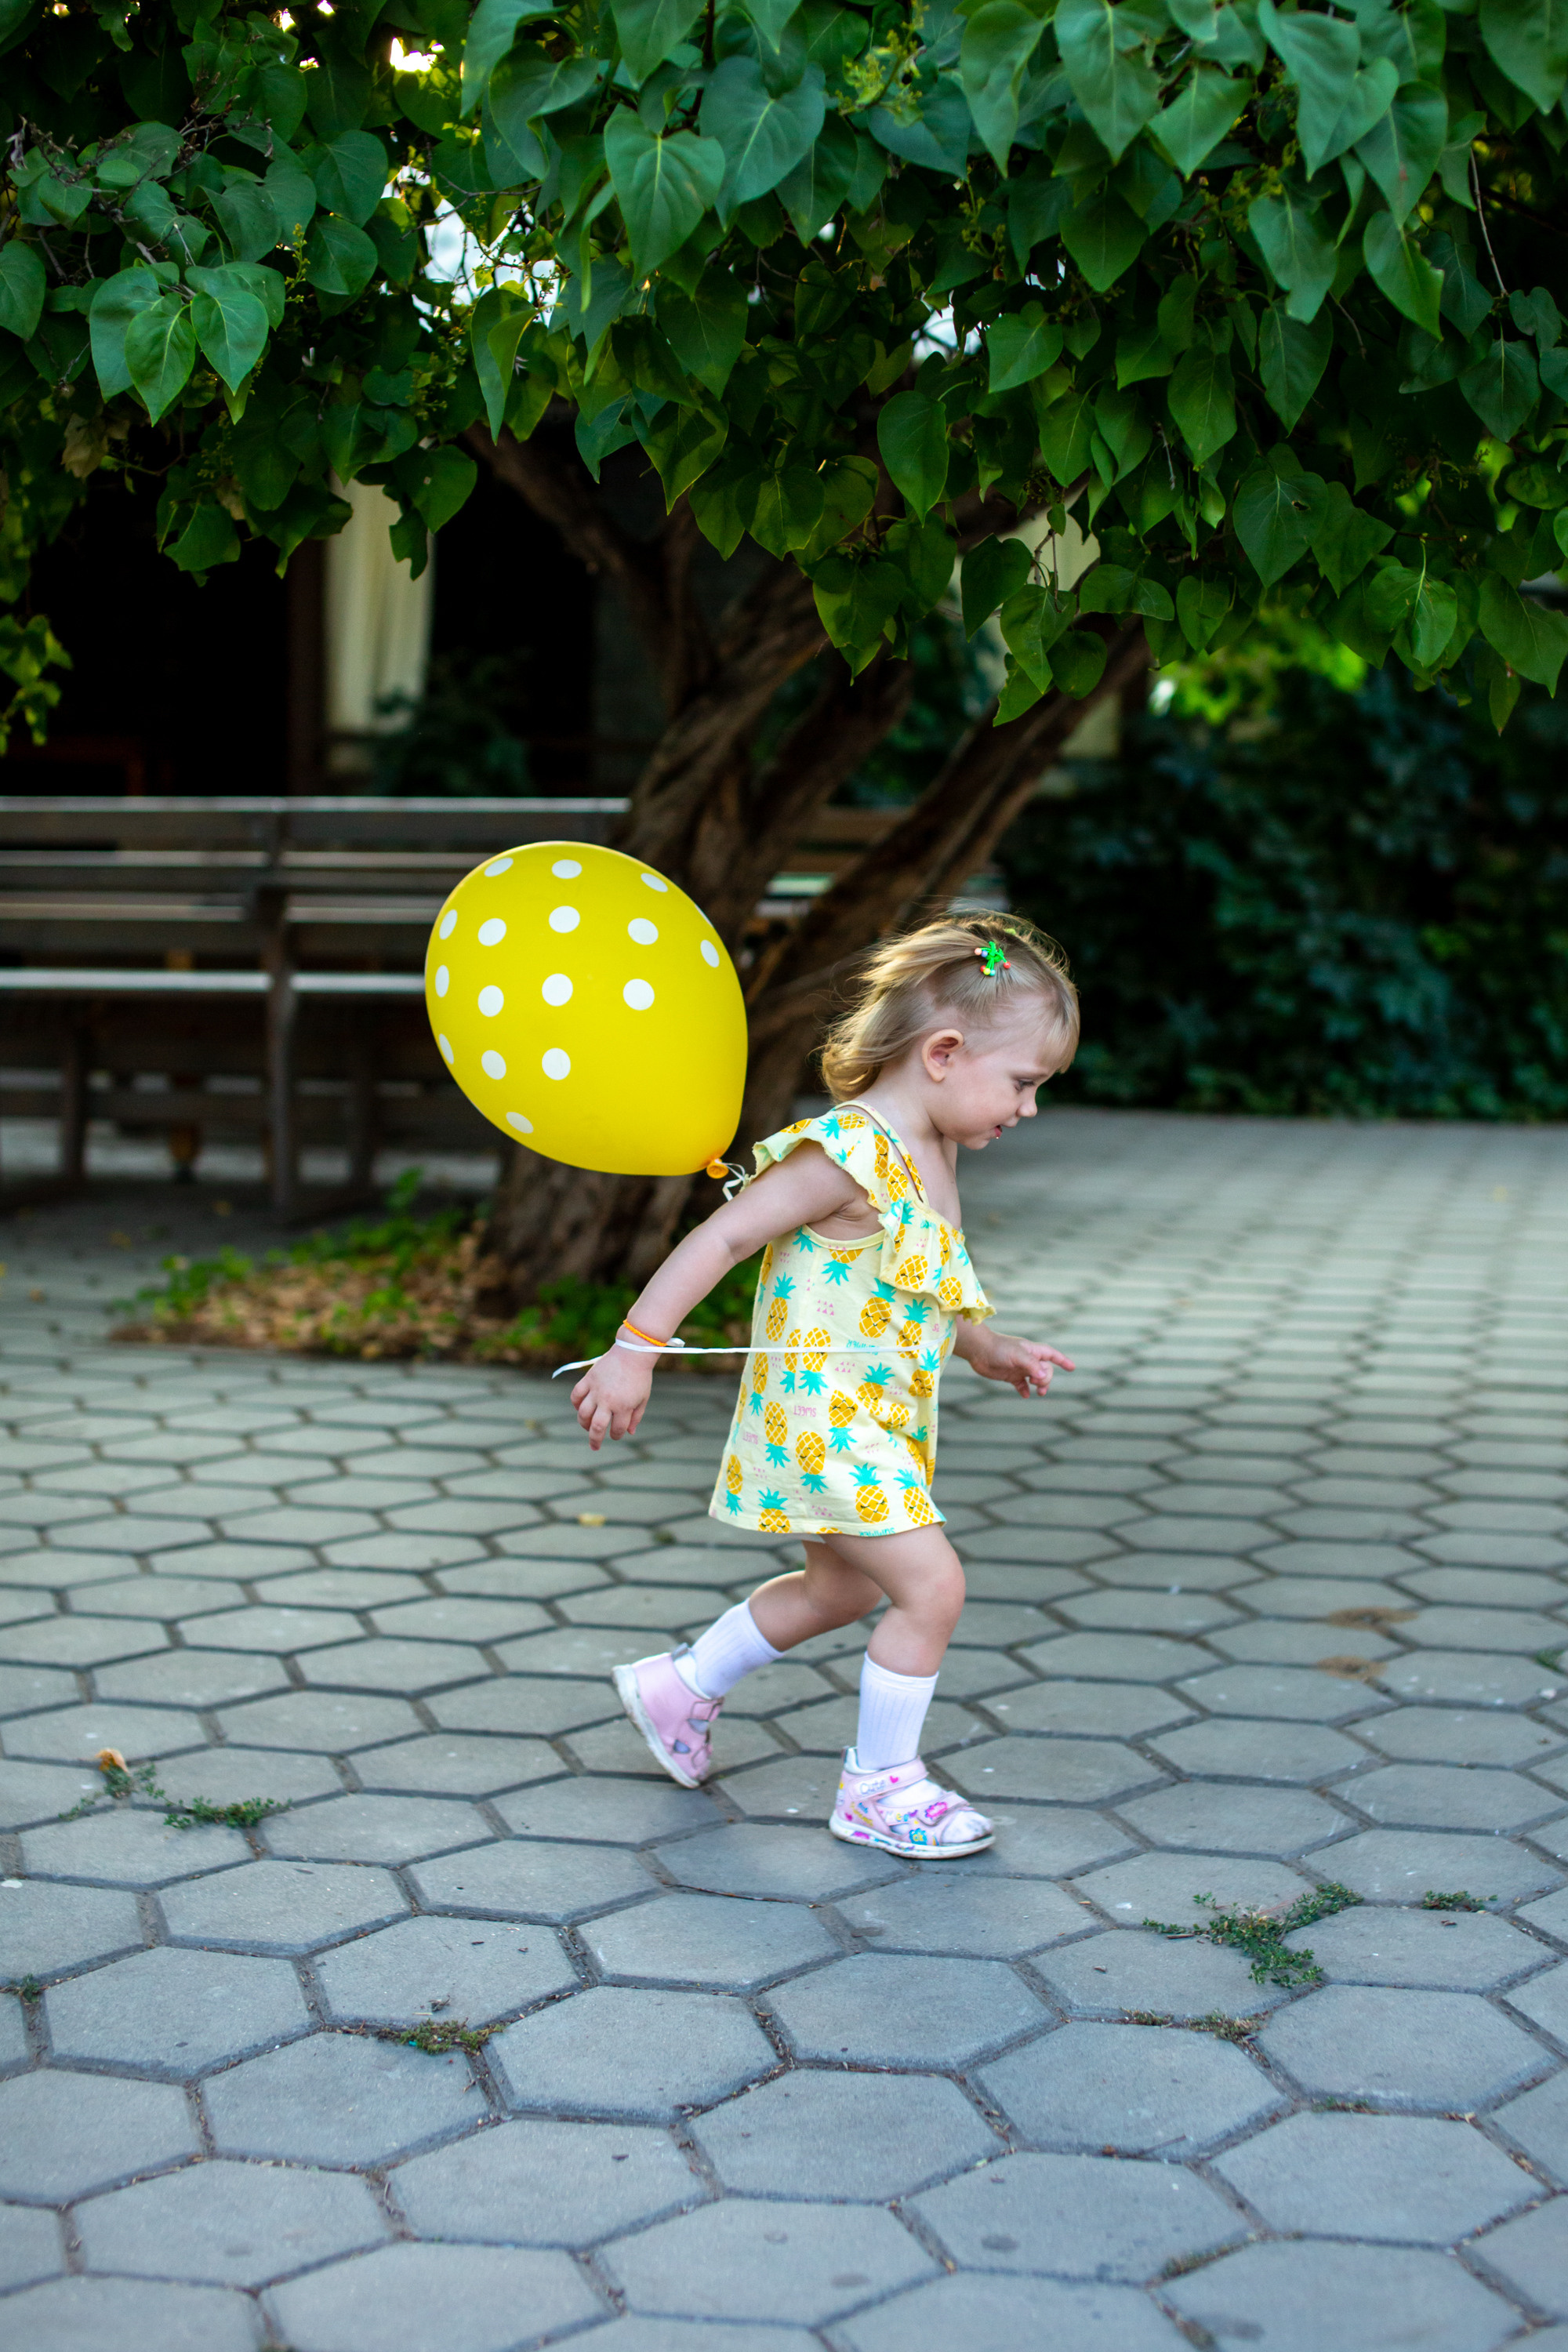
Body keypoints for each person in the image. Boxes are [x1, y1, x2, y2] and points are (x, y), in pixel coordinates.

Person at [570, 913, 1078, 1857]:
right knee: (932, 1590)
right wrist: (634, 1349)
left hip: (878, 1419)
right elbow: (720, 1237)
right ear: (943, 1052)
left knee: (839, 1590)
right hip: (824, 1422)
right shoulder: (847, 1150)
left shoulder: (935, 1153)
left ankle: (679, 1686)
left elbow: (918, 1284)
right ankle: (880, 1788)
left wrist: (981, 1344)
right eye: (1023, 1083)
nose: (1029, 1107)